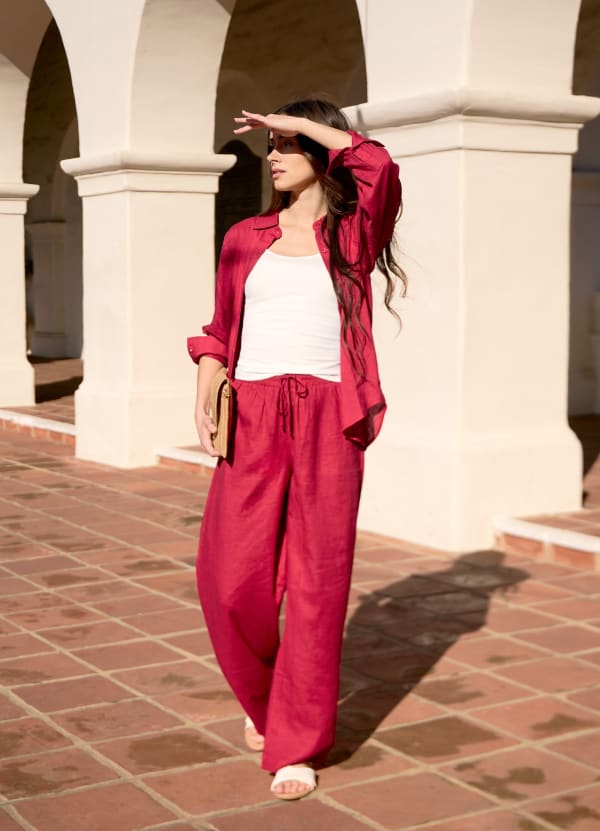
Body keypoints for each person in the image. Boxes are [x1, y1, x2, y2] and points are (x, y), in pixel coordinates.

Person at [187, 98, 405, 800]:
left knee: (317, 585)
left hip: (326, 420)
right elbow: (221, 327)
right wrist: (206, 383)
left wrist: (307, 123)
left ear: (319, 152)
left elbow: (378, 166)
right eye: (272, 146)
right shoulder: (244, 236)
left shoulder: (353, 236)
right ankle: (266, 704)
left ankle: (297, 744)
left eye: (287, 145)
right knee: (229, 582)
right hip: (252, 414)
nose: (274, 156)